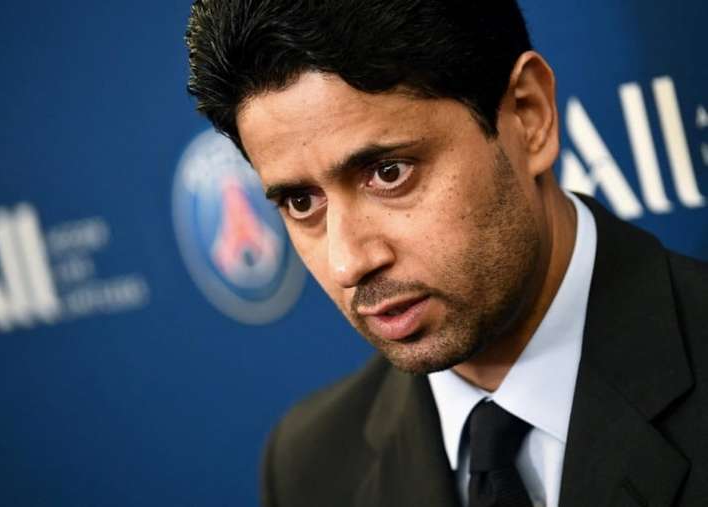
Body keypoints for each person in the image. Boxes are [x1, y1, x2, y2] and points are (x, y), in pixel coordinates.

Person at [184, 1, 708, 505]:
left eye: (389, 173)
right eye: (301, 202)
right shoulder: (308, 463)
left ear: (529, 115)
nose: (349, 262)